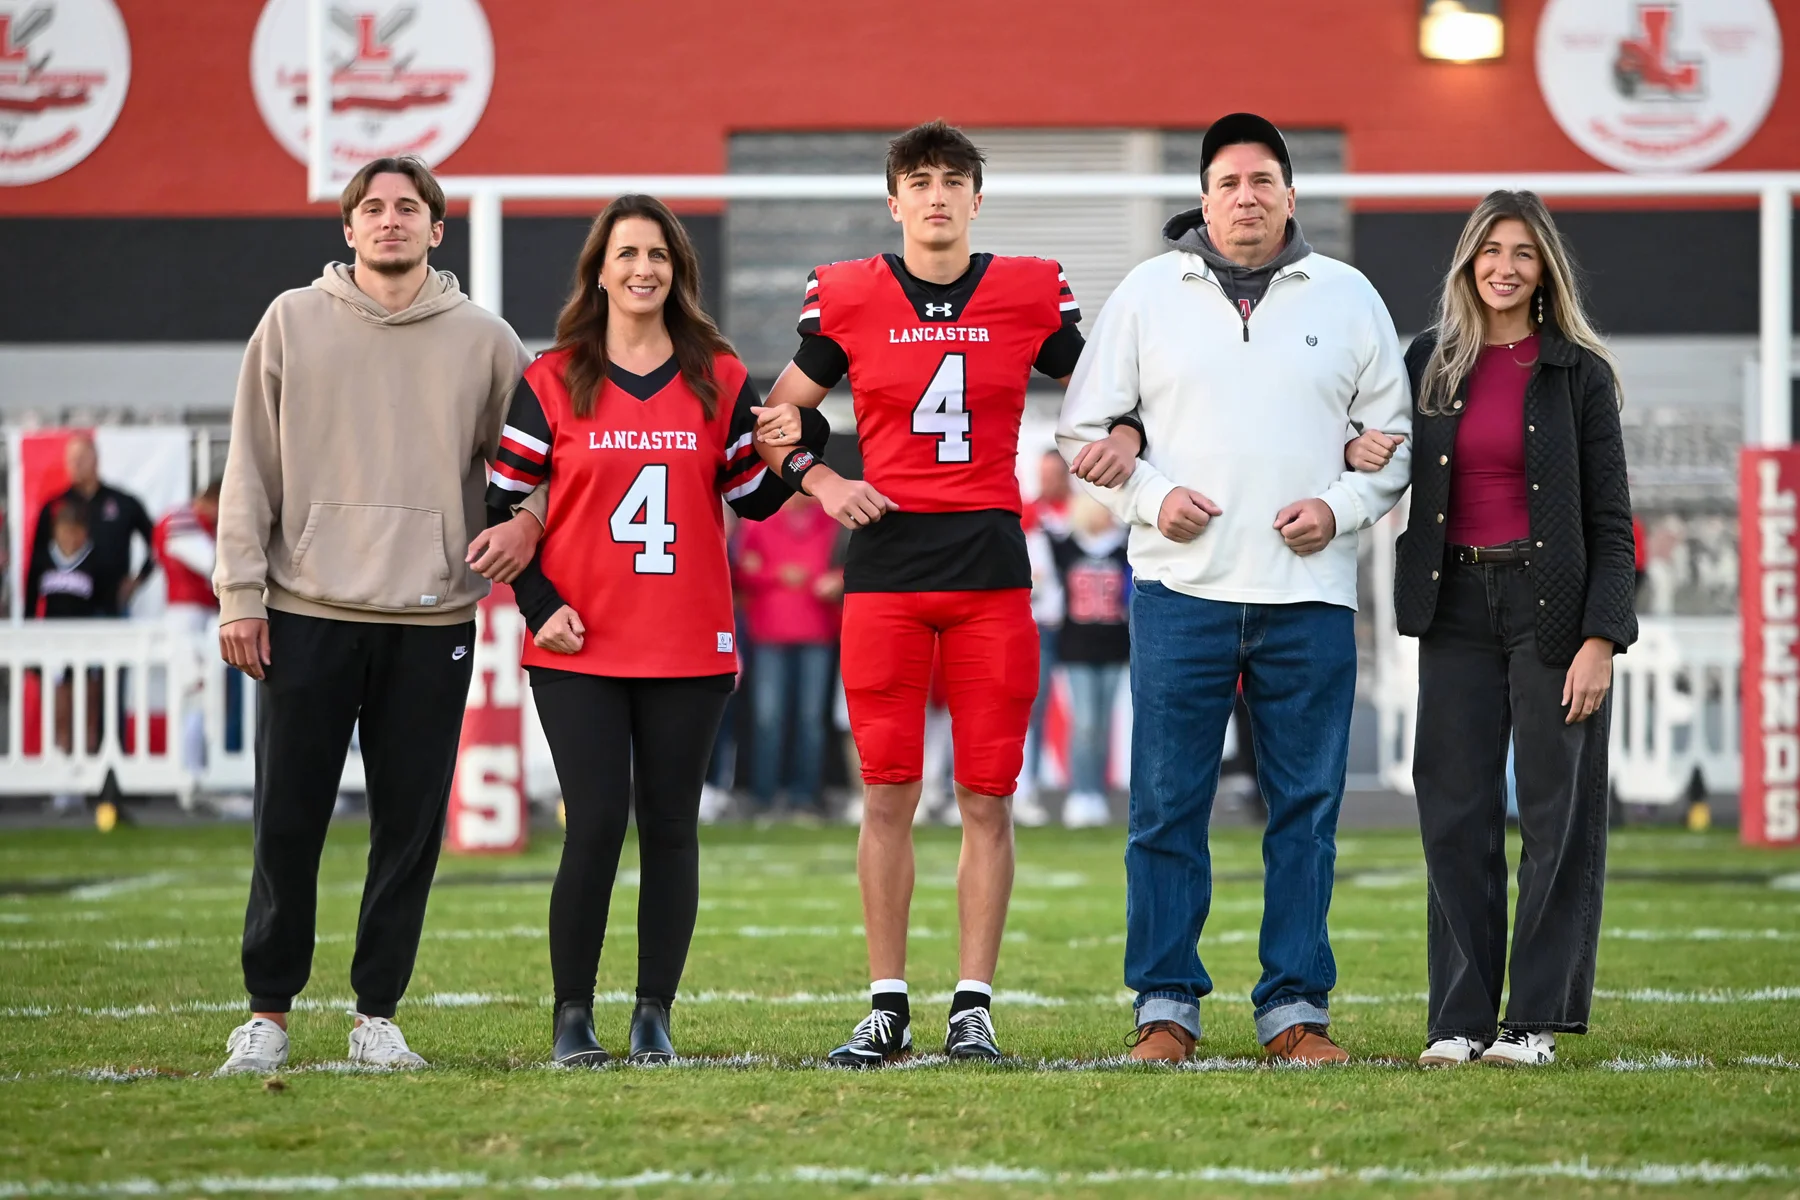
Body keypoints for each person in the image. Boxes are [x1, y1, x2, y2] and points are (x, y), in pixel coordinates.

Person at [1058, 113, 1412, 1065]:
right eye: (1228, 183)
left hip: (1309, 595)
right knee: (1168, 807)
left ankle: (1295, 1010)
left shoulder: (1346, 295)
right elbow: (1079, 429)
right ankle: (1165, 1008)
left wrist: (1338, 509)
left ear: (1291, 195)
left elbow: (1395, 441)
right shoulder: (1147, 293)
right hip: (1181, 592)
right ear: (1203, 197)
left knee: (1305, 811)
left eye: (1263, 181)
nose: (1246, 197)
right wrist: (1151, 494)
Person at [755, 120, 1086, 1065]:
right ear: (893, 200)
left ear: (978, 199)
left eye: (953, 181)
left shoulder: (1028, 290)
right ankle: (888, 1000)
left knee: (988, 795)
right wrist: (823, 481)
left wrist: (1124, 444)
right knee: (888, 790)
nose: (936, 196)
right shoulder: (851, 292)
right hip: (887, 573)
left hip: (989, 570)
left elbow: (1113, 391)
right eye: (919, 181)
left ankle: (973, 1001)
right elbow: (778, 421)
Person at [211, 155, 544, 1075]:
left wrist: (532, 524)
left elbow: (540, 460)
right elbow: (251, 467)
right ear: (348, 228)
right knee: (289, 822)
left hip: (432, 620)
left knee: (407, 829)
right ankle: (267, 1016)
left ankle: (376, 1018)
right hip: (305, 608)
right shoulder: (290, 322)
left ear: (438, 229)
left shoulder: (484, 338)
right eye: (373, 208)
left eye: (409, 208)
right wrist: (240, 593)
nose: (390, 220)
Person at [487, 195, 829, 1066]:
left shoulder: (715, 371)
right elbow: (501, 507)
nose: (644, 269)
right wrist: (538, 604)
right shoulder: (551, 376)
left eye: (660, 256)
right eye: (627, 253)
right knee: (596, 822)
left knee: (671, 825)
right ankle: (572, 1019)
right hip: (579, 642)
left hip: (689, 638)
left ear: (677, 272)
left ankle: (653, 1015)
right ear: (599, 270)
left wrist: (808, 432)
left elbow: (751, 495)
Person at [1360, 190, 1636, 1068]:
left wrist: (1602, 638)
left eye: (1522, 251)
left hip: (1553, 610)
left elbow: (1613, 519)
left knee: (1555, 817)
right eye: (1490, 250)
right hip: (1454, 610)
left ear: (1544, 266)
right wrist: (1355, 451)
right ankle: (1459, 1019)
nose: (1504, 267)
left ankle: (1534, 1023)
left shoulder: (1579, 373)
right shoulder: (1427, 362)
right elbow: (1381, 456)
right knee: (1454, 810)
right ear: (1467, 262)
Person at [733, 490, 844, 817]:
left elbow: (847, 565)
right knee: (769, 718)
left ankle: (804, 796)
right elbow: (743, 571)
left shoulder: (832, 520)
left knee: (810, 720)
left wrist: (832, 579)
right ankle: (764, 796)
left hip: (817, 628)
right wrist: (781, 574)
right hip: (770, 630)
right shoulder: (760, 519)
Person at [1047, 494, 1130, 828]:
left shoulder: (1123, 548)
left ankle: (1098, 791)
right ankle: (1080, 792)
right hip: (1077, 647)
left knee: (1105, 723)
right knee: (1085, 722)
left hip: (1113, 645)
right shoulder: (1066, 546)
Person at [25, 433, 155, 619]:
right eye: (70, 459)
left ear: (95, 459)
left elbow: (157, 542)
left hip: (111, 607)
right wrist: (29, 614)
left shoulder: (123, 503)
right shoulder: (55, 505)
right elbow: (37, 561)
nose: (74, 465)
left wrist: (138, 579)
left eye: (81, 458)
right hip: (66, 609)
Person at [1015, 451, 1072, 825]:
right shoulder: (1028, 517)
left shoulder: (1074, 518)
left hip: (1053, 625)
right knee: (1019, 708)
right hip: (1024, 623)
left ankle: (1027, 788)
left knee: (1036, 710)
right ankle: (1014, 788)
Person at [153, 480, 222, 784]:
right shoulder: (181, 517)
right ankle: (189, 771)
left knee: (205, 693)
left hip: (205, 614)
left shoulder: (199, 522)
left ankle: (197, 770)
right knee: (192, 691)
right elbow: (212, 563)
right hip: (187, 614)